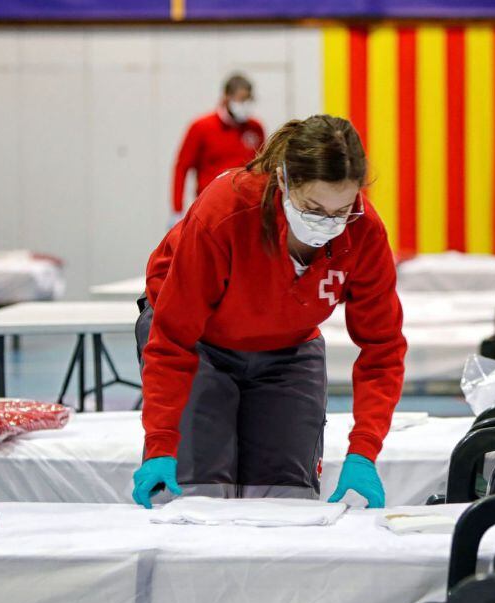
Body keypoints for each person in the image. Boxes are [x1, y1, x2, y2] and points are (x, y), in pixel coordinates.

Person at [134, 115, 406, 509]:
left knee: (287, 498)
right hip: (198, 342)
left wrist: (363, 451)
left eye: (342, 210)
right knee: (199, 492)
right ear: (283, 181)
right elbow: (173, 337)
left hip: (289, 346)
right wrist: (161, 442)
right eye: (313, 208)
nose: (328, 224)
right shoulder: (225, 211)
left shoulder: (364, 231)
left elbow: (382, 350)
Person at [171, 74, 266, 222]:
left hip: (246, 209)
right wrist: (177, 210)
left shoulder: (255, 128)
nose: (245, 104)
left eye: (249, 100)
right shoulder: (201, 127)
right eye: (241, 100)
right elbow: (182, 168)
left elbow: (262, 168)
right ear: (227, 97)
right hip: (210, 209)